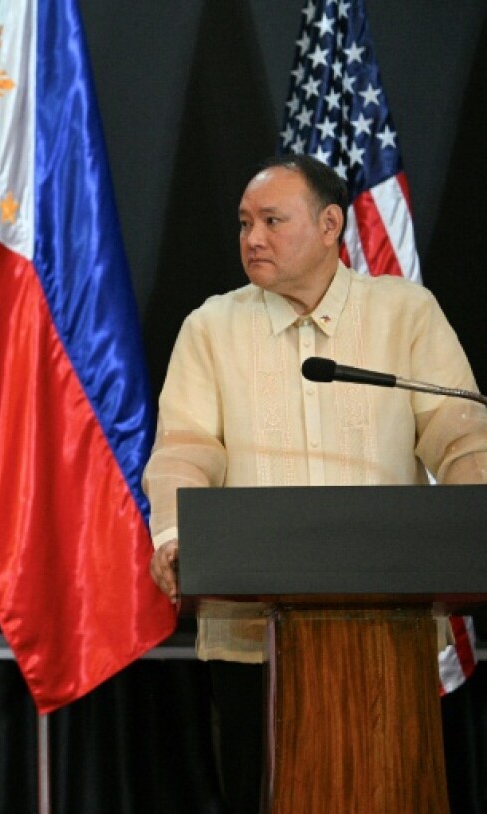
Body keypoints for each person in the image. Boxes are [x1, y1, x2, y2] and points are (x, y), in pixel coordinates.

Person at [142, 153, 487, 811]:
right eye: (244, 223)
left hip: (392, 630)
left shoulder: (404, 314)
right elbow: (185, 451)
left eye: (272, 220)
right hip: (253, 639)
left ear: (331, 225)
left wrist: (474, 523)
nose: (252, 239)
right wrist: (177, 534)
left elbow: (462, 435)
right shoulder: (212, 329)